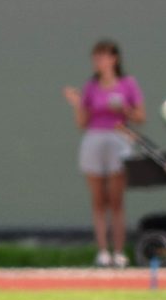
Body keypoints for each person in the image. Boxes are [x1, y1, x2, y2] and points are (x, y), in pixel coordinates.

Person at [61, 41, 143, 268]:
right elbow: (82, 123)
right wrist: (77, 104)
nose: (98, 62)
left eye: (103, 57)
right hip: (94, 139)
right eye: (96, 58)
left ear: (114, 59)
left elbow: (140, 117)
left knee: (116, 200)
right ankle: (102, 251)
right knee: (98, 200)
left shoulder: (128, 84)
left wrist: (124, 110)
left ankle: (119, 251)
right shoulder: (90, 87)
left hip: (119, 139)